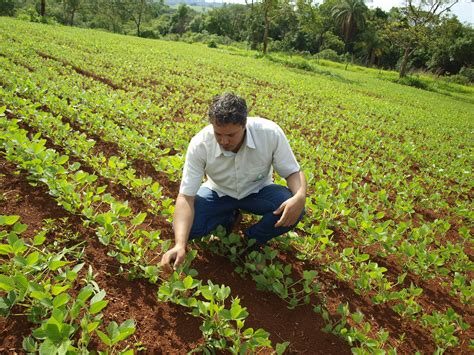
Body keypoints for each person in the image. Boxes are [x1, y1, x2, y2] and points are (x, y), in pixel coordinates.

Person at [160, 93, 306, 269]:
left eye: (231, 135)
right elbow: (186, 197)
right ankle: (229, 218)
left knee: (294, 208)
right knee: (186, 228)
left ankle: (252, 240)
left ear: (244, 124)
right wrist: (180, 244)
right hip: (219, 192)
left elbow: (293, 172)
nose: (224, 141)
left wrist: (300, 196)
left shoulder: (269, 133)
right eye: (218, 134)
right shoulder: (200, 144)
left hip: (258, 192)